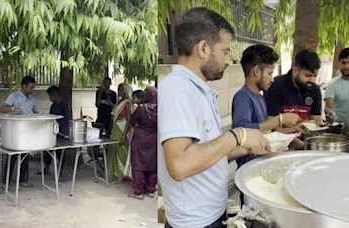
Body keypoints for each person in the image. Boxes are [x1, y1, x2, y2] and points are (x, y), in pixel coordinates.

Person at [158, 8, 272, 228]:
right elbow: (180, 164)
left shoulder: (199, 89)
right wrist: (238, 135)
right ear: (203, 48)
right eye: (225, 51)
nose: (228, 60)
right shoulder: (176, 89)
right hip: (194, 223)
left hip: (212, 215)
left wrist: (247, 148)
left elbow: (205, 151)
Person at [232, 44, 302, 168]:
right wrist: (279, 120)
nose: (272, 79)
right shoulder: (243, 97)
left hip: (263, 162)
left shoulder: (260, 97)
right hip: (249, 166)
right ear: (257, 71)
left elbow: (265, 130)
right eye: (270, 73)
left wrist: (291, 131)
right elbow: (240, 130)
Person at [264, 49, 322, 150]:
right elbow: (271, 127)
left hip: (303, 144)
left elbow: (316, 121)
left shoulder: (315, 90)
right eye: (308, 76)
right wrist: (301, 145)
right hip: (277, 146)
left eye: (315, 76)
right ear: (295, 71)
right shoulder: (276, 86)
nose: (312, 80)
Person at [0, 76, 37, 194]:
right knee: (12, 158)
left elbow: (36, 113)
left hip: (27, 131)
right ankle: (6, 184)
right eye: (30, 87)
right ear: (24, 86)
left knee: (25, 156)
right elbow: (2, 108)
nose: (32, 90)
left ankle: (23, 180)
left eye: (33, 87)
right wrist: (13, 108)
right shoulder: (14, 96)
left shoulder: (32, 99)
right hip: (14, 133)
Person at [35, 86, 71, 182]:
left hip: (62, 133)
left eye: (50, 96)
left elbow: (66, 121)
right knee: (48, 150)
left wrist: (57, 125)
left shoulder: (65, 106)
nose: (49, 98)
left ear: (55, 95)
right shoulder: (53, 106)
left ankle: (60, 172)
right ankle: (46, 168)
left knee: (60, 153)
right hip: (53, 132)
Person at [128, 86, 157, 200]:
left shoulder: (142, 109)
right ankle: (150, 190)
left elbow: (131, 122)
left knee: (138, 164)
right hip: (154, 138)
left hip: (140, 139)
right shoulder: (161, 108)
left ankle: (138, 192)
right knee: (152, 164)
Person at [106, 83, 135, 181]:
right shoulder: (119, 102)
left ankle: (122, 174)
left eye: (122, 90)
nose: (119, 92)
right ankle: (113, 173)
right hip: (116, 127)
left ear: (126, 91)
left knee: (122, 151)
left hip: (123, 128)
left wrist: (123, 136)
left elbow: (129, 119)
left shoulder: (127, 103)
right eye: (118, 89)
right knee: (112, 150)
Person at [325, 48, 349, 140]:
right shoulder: (332, 85)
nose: (346, 66)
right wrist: (329, 114)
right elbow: (328, 108)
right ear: (339, 63)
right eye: (343, 63)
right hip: (339, 136)